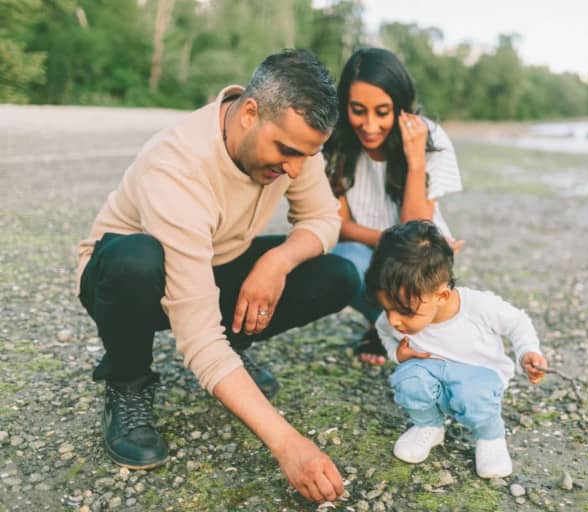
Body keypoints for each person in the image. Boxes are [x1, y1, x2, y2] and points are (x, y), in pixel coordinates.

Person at [76, 49, 358, 503]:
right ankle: (126, 381)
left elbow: (325, 220)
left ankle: (237, 350)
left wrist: (277, 262)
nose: (294, 168)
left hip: (212, 261)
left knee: (338, 274)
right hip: (127, 277)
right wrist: (287, 443)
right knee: (138, 260)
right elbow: (198, 339)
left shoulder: (294, 147)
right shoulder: (176, 164)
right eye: (286, 151)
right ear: (249, 113)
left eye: (308, 154)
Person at [365, 220, 548, 478]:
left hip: (477, 375)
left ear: (441, 296)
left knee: (474, 397)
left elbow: (518, 322)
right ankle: (428, 425)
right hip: (429, 370)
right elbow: (384, 331)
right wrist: (398, 354)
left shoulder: (478, 307)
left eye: (404, 311)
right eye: (387, 308)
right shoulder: (395, 320)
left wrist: (527, 351)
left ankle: (490, 437)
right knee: (408, 380)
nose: (394, 320)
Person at [324, 47, 463, 366]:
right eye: (358, 110)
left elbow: (416, 238)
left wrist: (415, 163)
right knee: (342, 259)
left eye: (382, 112)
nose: (369, 125)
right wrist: (388, 240)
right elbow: (338, 225)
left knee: (417, 275)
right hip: (364, 255)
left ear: (400, 108)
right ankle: (384, 325)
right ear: (344, 106)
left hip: (422, 264)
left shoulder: (432, 140)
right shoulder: (335, 145)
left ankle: (406, 330)